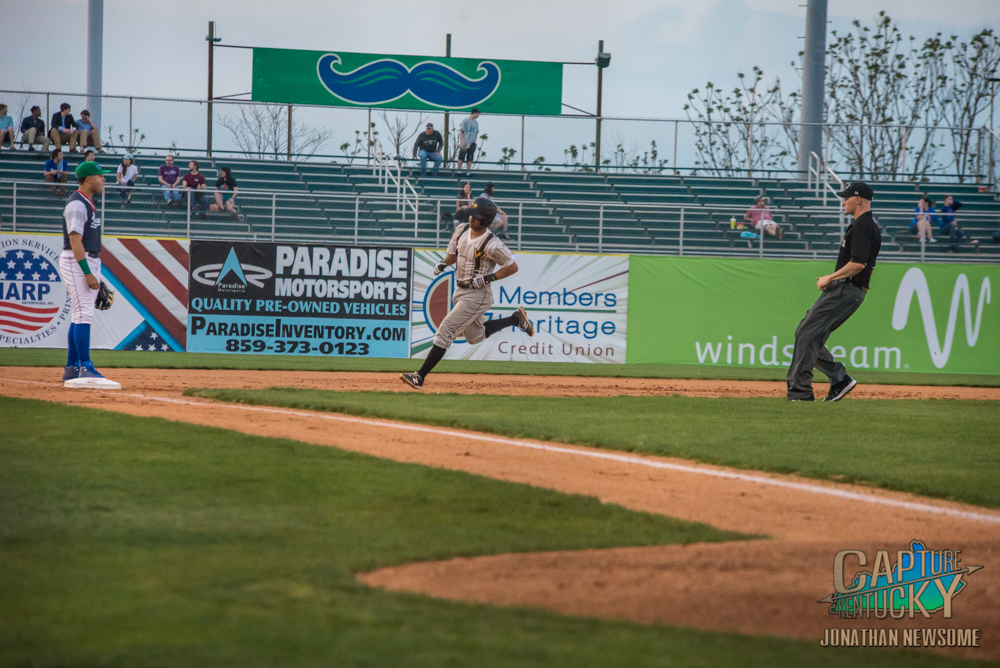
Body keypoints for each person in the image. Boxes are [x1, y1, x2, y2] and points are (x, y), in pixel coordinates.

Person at [400, 197, 534, 390]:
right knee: (474, 337)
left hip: (478, 295)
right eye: (471, 214)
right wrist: (443, 263)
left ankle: (419, 376)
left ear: (485, 220)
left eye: (476, 216)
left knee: (445, 331)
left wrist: (488, 278)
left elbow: (512, 267)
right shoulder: (461, 230)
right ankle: (516, 319)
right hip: (460, 289)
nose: (471, 218)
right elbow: (453, 255)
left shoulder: (492, 244)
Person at [787, 182, 881, 402]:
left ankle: (800, 392)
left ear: (857, 199)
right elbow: (870, 268)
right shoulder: (870, 226)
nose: (843, 202)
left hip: (847, 288)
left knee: (807, 332)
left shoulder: (862, 226)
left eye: (846, 198)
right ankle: (839, 378)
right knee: (806, 333)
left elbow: (858, 264)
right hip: (850, 289)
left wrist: (832, 277)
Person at [59, 160, 120, 389]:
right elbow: (74, 240)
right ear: (89, 179)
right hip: (77, 261)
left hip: (87, 260)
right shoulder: (77, 203)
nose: (103, 179)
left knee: (79, 315)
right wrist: (87, 272)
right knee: (84, 313)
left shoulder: (87, 202)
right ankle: (85, 366)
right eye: (100, 175)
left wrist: (94, 272)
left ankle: (72, 368)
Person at [456, 108, 480, 176]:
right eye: (478, 114)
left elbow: (476, 133)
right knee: (461, 157)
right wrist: (463, 141)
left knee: (470, 158)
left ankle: (468, 172)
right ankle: (459, 171)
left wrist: (474, 141)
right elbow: (461, 132)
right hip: (465, 143)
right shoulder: (465, 120)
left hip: (472, 143)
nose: (478, 116)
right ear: (474, 113)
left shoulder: (476, 123)